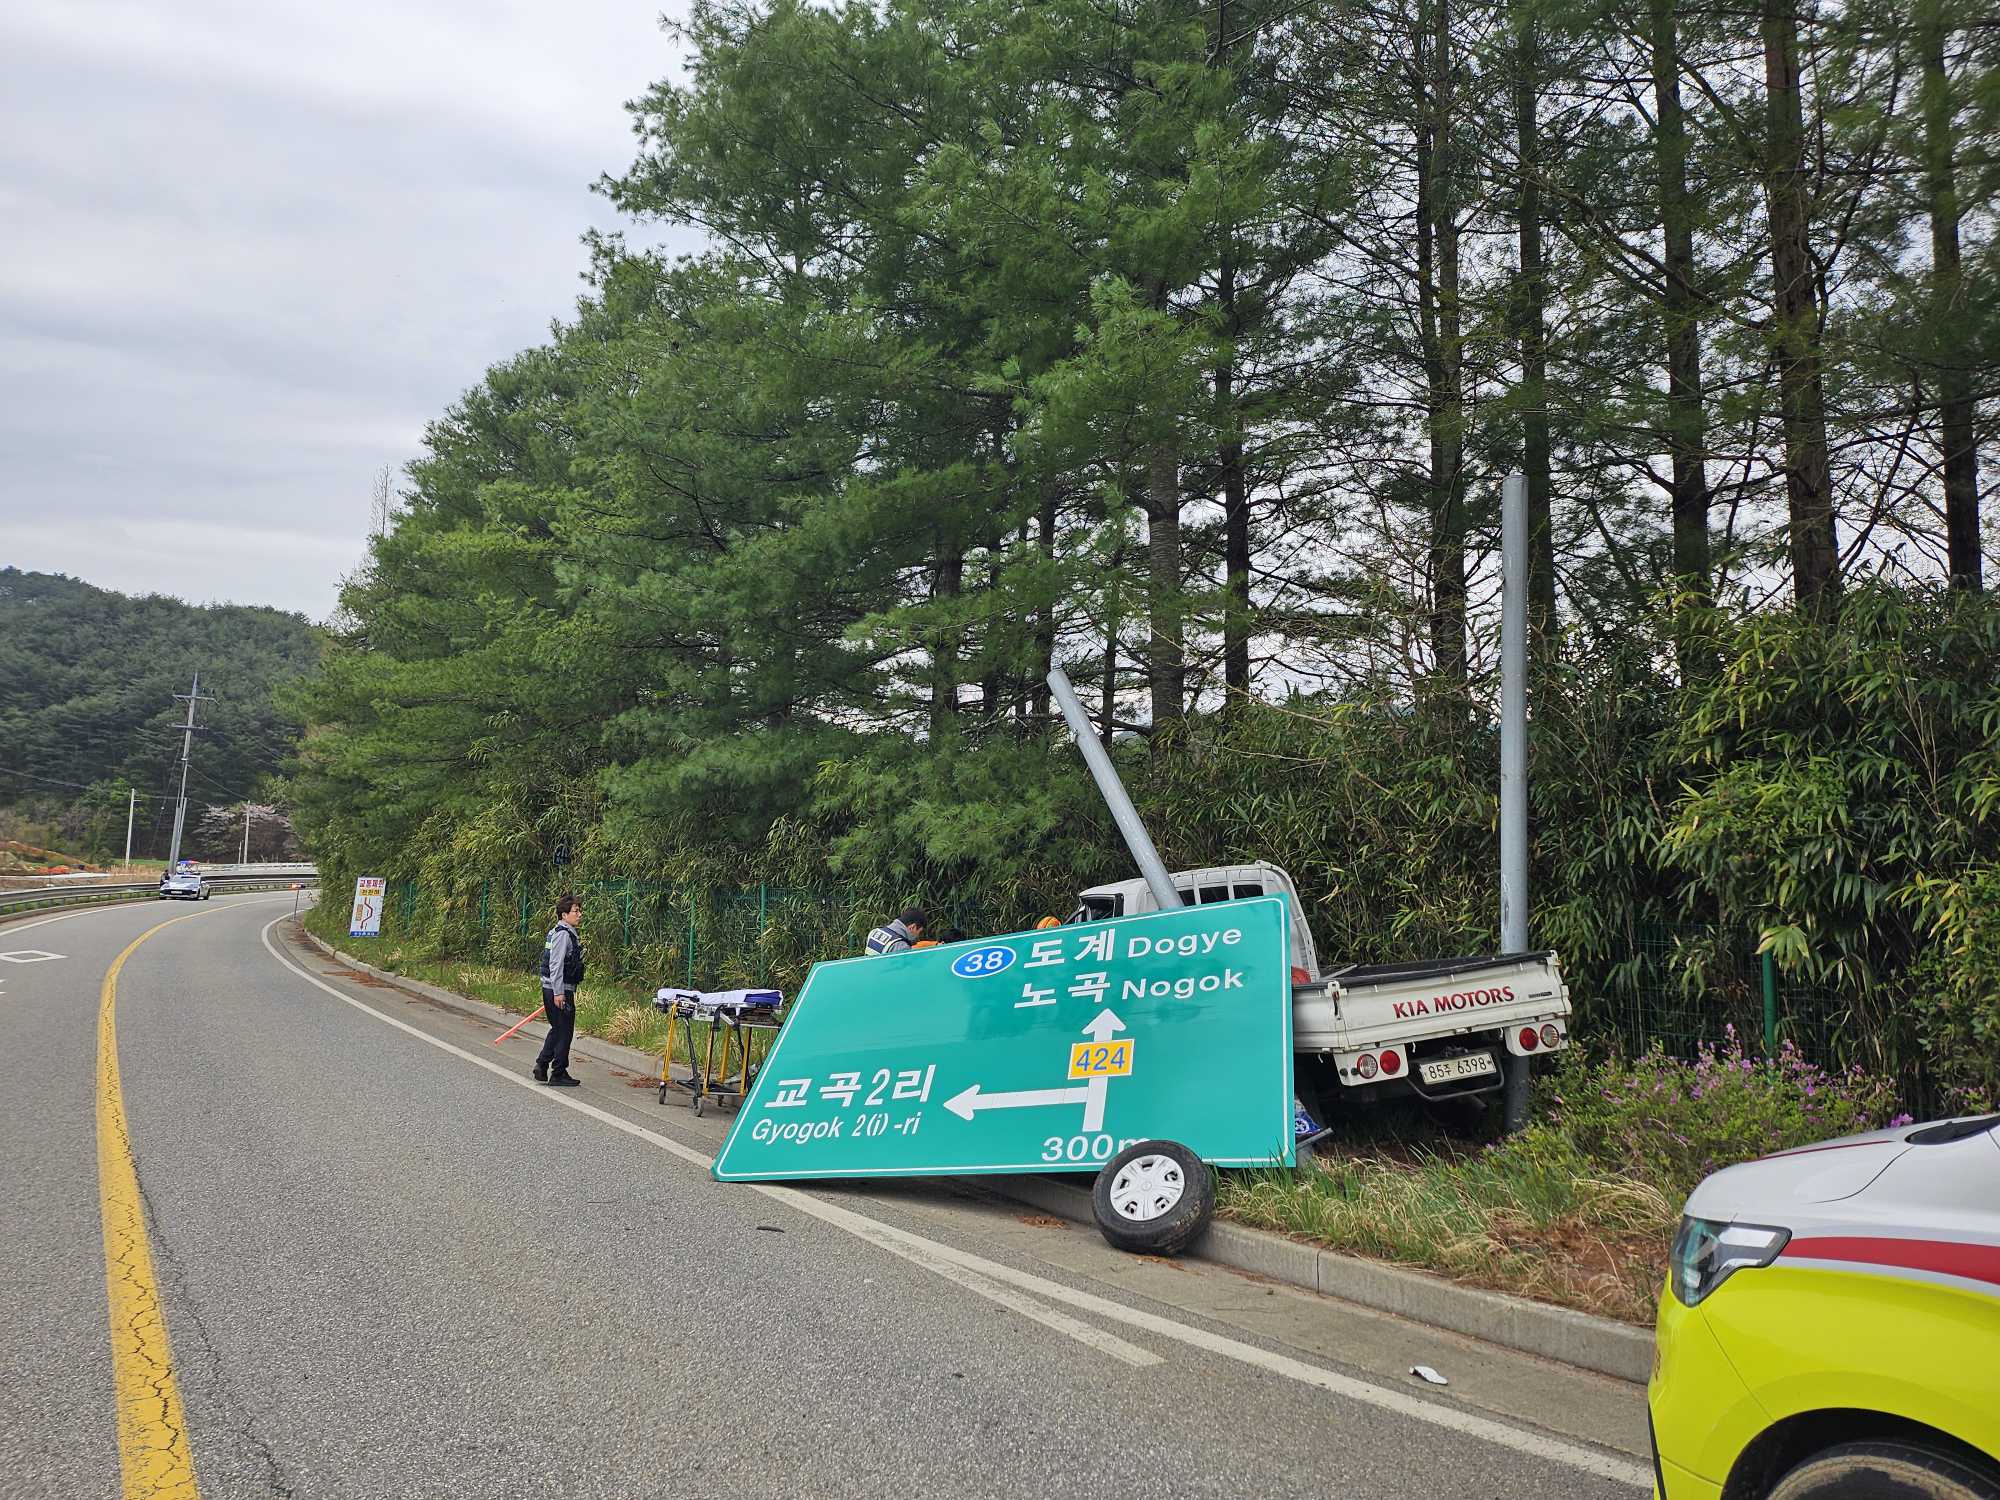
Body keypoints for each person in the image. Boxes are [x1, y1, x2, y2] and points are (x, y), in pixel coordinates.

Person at [534, 893, 584, 1086]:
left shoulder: (557, 931)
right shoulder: (563, 934)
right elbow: (556, 965)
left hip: (552, 988)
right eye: (575, 911)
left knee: (558, 1029)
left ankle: (542, 1064)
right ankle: (558, 1073)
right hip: (559, 989)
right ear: (564, 914)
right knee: (565, 1032)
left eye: (579, 910)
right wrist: (559, 993)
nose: (579, 914)